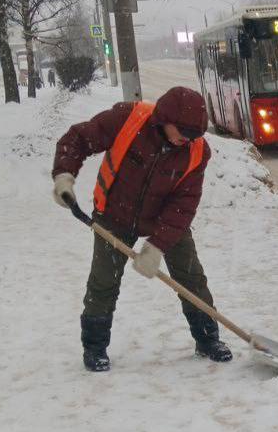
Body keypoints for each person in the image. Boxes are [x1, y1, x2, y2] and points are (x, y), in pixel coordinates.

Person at [51, 86, 232, 372]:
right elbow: (78, 139)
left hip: (163, 217)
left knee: (191, 277)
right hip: (114, 214)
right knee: (103, 281)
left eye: (194, 135)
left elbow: (184, 204)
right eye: (182, 132)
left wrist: (157, 245)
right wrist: (64, 174)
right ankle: (94, 347)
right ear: (164, 119)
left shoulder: (196, 150)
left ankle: (208, 339)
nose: (187, 140)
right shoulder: (129, 120)